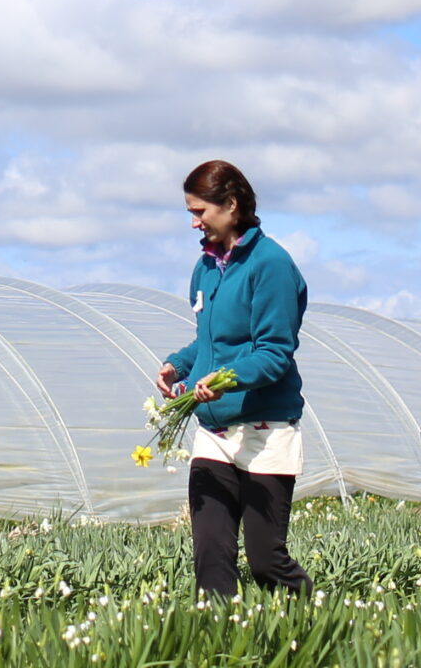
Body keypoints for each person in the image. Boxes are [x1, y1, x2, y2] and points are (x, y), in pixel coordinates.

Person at [155, 159, 310, 599]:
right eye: (191, 211)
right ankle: (217, 641)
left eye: (200, 211)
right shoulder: (204, 268)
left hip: (265, 429)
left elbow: (274, 354)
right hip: (213, 431)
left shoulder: (271, 264)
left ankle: (315, 620)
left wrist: (224, 381)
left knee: (266, 561)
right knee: (211, 555)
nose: (193, 222)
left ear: (232, 204)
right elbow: (208, 342)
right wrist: (178, 366)